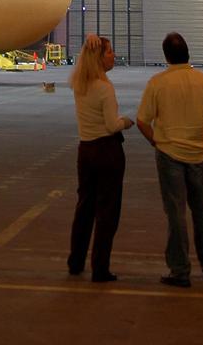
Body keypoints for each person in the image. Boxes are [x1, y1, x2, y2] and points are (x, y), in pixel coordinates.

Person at [136, 31, 203, 288]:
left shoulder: (157, 83)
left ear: (166, 56)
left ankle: (180, 270)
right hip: (198, 154)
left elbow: (142, 121)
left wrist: (157, 141)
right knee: (202, 211)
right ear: (188, 53)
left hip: (169, 154)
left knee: (175, 213)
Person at [67, 34, 133, 283]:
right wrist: (128, 122)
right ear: (99, 57)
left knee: (84, 207)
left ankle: (75, 261)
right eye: (109, 52)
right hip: (107, 151)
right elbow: (112, 125)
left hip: (85, 151)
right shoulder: (104, 88)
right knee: (107, 211)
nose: (113, 55)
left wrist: (89, 42)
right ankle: (100, 267)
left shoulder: (79, 83)